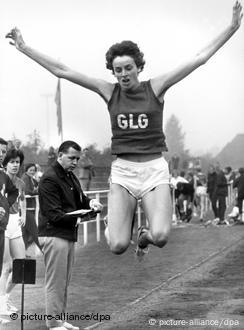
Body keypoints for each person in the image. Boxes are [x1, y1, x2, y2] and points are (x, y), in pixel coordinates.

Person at [5, 1, 243, 258]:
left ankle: (144, 237)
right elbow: (63, 70)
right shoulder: (109, 92)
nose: (123, 74)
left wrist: (231, 27)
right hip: (124, 173)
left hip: (154, 170)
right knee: (117, 245)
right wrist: (24, 47)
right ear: (113, 72)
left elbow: (199, 58)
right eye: (118, 70)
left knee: (161, 237)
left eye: (128, 68)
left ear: (139, 67)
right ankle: (124, 232)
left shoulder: (156, 87)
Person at [38, 141, 102, 330]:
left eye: (77, 158)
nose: (75, 162)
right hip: (53, 234)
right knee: (55, 282)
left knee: (64, 281)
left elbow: (80, 199)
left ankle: (60, 319)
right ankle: (53, 324)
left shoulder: (70, 176)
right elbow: (53, 214)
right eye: (71, 158)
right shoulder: (50, 178)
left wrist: (91, 204)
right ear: (59, 156)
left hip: (67, 233)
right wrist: (79, 217)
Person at [0, 148, 26, 316]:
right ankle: (2, 305)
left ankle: (6, 297)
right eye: (12, 162)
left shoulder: (20, 182)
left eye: (17, 162)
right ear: (5, 163)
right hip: (4, 223)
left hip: (15, 221)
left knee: (22, 266)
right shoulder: (1, 177)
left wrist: (23, 214)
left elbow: (21, 199)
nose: (15, 165)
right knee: (6, 267)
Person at [21, 163, 41, 256]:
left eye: (34, 170)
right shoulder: (25, 178)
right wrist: (36, 191)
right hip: (26, 210)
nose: (32, 172)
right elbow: (26, 191)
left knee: (25, 234)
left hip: (31, 209)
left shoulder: (32, 179)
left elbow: (40, 186)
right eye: (30, 170)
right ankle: (46, 251)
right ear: (26, 170)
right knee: (35, 233)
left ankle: (22, 254)